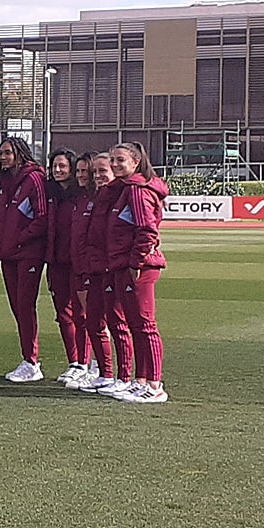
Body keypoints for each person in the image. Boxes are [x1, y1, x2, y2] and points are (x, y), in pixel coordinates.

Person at [106, 142, 170, 404]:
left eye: (120, 160)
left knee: (145, 325)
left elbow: (147, 231)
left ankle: (155, 384)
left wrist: (135, 263)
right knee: (136, 325)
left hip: (139, 267)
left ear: (135, 162)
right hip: (126, 264)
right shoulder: (127, 190)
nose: (114, 165)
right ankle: (141, 380)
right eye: (112, 160)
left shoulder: (138, 191)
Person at [0, 136, 48, 383]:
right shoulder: (5, 181)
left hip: (27, 253)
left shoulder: (34, 178)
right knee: (18, 307)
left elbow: (41, 217)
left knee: (25, 307)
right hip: (9, 254)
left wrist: (19, 239)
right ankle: (28, 359)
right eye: (1, 153)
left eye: (8, 152)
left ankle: (31, 361)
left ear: (20, 153)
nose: (4, 157)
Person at [70, 152, 115, 391]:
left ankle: (108, 371)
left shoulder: (112, 197)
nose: (95, 176)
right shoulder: (88, 199)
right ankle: (100, 370)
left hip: (104, 269)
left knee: (109, 322)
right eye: (92, 172)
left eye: (100, 171)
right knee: (92, 320)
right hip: (85, 267)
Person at [45, 148, 88, 383]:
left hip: (79, 263)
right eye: (54, 166)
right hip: (56, 262)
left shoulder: (81, 195)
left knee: (83, 314)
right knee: (63, 314)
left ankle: (86, 362)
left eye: (62, 166)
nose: (58, 170)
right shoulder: (50, 194)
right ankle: (74, 361)